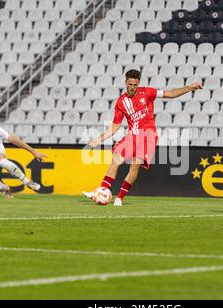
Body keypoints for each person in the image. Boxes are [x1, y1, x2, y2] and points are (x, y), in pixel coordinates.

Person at [83, 69, 203, 206]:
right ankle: (102, 190)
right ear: (125, 83)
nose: (132, 87)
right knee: (115, 160)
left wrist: (189, 88)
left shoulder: (147, 92)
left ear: (138, 83)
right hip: (132, 136)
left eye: (135, 84)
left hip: (148, 136)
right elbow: (115, 127)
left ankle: (120, 197)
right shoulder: (121, 102)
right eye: (130, 84)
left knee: (135, 165)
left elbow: (170, 94)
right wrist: (98, 139)